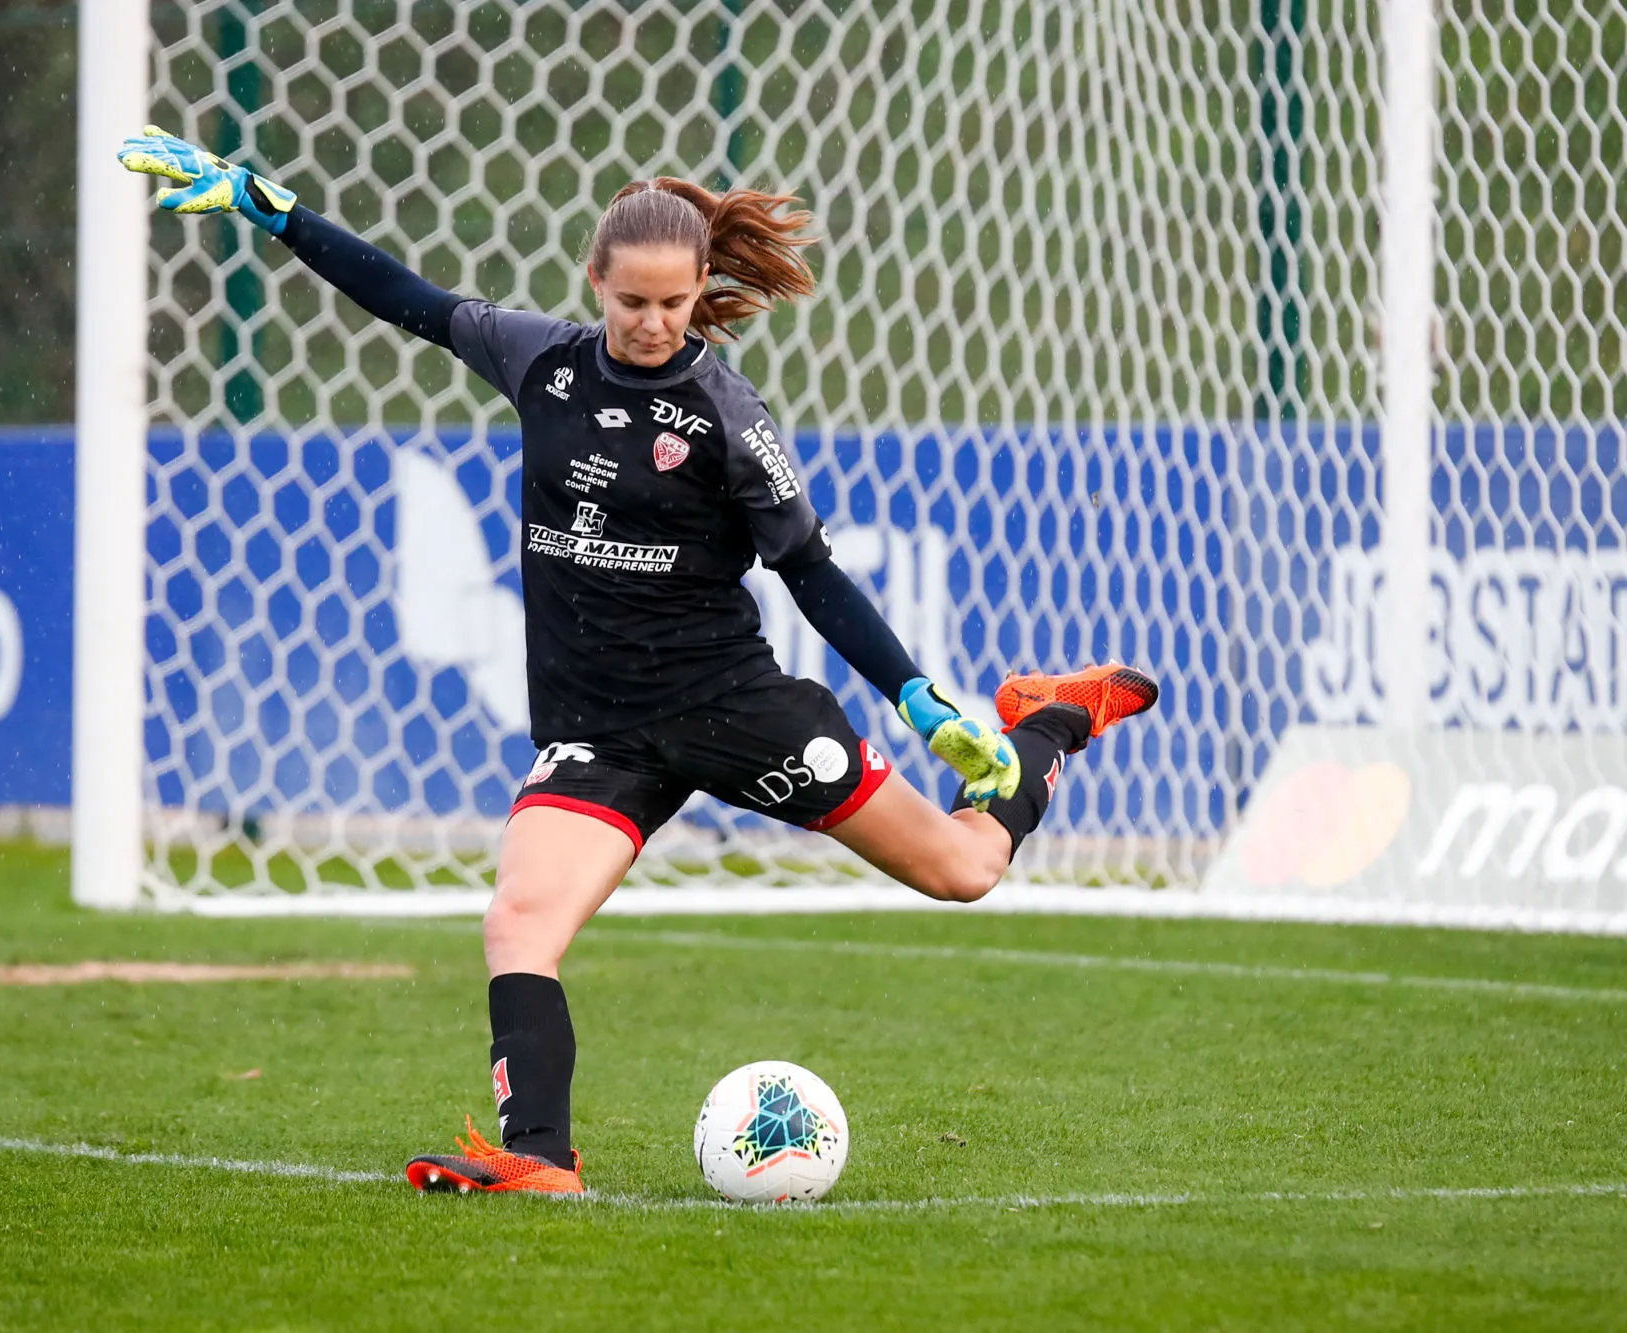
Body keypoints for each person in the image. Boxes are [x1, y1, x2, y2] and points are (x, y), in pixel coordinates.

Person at [119, 129, 1159, 1195]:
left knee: (962, 870)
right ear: (596, 283)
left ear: (702, 286)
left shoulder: (728, 415)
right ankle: (537, 1156)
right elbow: (402, 294)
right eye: (633, 303)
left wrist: (913, 694)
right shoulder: (541, 361)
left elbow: (810, 571)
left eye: (673, 302)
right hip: (598, 728)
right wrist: (265, 205)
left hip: (729, 705)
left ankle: (1046, 720)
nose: (654, 323)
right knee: (518, 919)